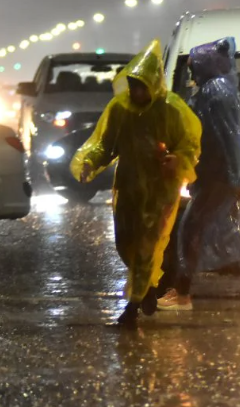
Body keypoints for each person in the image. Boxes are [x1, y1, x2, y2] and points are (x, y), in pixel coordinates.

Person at [72, 40, 201, 328]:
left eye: (141, 85)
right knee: (126, 243)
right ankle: (149, 286)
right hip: (129, 187)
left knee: (147, 245)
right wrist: (90, 163)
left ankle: (132, 307)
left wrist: (177, 160)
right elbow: (106, 144)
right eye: (133, 85)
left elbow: (190, 146)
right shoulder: (121, 111)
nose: (137, 91)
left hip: (160, 190)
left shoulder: (171, 111)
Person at [158, 37, 240, 312]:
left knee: (193, 231)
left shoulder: (216, 92)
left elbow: (229, 140)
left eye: (195, 66)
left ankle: (184, 293)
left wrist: (235, 178)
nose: (193, 73)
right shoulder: (219, 89)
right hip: (214, 174)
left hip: (216, 175)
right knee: (223, 231)